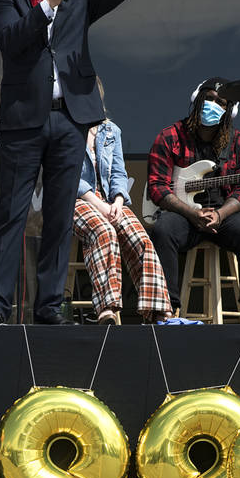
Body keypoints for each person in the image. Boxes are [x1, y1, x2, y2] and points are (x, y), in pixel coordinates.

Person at [0, 0, 172, 325]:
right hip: (25, 120)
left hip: (71, 119)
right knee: (10, 214)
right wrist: (48, 3)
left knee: (60, 218)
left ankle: (49, 307)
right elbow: (11, 42)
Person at [146, 77, 240, 324]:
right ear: (197, 100)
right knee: (163, 230)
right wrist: (192, 214)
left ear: (229, 110)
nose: (213, 105)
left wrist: (220, 214)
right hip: (184, 215)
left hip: (223, 215)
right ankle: (168, 310)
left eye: (220, 102)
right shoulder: (170, 136)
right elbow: (157, 188)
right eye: (209, 98)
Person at [73, 82, 171, 325]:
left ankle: (157, 309)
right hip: (76, 200)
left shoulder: (110, 130)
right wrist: (100, 205)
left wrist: (117, 200)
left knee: (139, 237)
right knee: (104, 231)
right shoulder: (68, 130)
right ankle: (106, 308)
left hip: (108, 199)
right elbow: (67, 175)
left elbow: (118, 172)